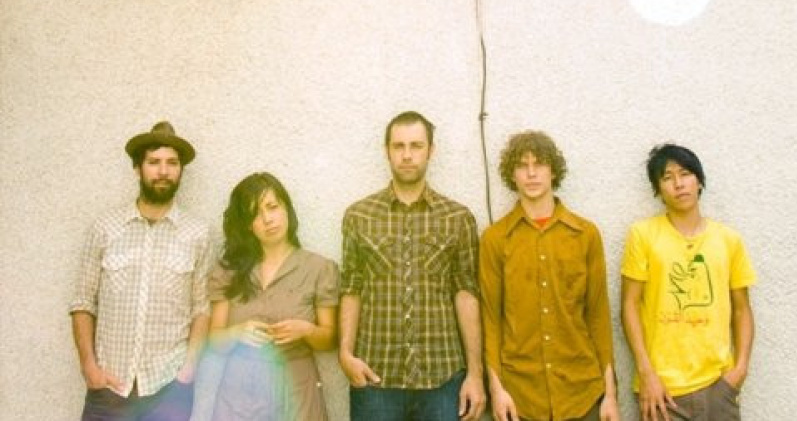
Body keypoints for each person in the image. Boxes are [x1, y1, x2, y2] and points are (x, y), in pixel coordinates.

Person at [339, 111, 486, 421]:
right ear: (387, 151)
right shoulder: (359, 216)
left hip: (442, 378)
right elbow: (351, 288)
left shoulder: (457, 217)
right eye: (399, 146)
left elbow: (466, 293)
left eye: (416, 146)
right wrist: (345, 353)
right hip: (375, 376)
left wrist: (475, 374)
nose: (407, 155)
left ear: (431, 150)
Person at [69, 121, 214, 421]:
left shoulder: (198, 234)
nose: (163, 171)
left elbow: (202, 308)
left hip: (168, 389)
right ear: (137, 168)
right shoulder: (105, 228)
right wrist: (89, 368)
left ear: (180, 171)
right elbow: (83, 302)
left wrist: (187, 372)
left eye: (172, 163)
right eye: (154, 162)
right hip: (109, 388)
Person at [479, 131, 619, 421]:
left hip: (582, 394)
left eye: (539, 163)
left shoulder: (586, 234)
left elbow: (598, 316)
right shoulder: (495, 239)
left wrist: (610, 395)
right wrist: (496, 389)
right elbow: (491, 320)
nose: (531, 173)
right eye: (522, 165)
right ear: (512, 175)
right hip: (520, 398)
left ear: (553, 170)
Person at [621, 144, 756, 421]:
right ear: (658, 190)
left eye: (685, 174)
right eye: (667, 177)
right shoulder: (643, 235)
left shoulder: (728, 240)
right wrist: (646, 374)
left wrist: (739, 370)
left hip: (719, 387)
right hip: (662, 393)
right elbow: (629, 305)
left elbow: (742, 309)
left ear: (699, 181)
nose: (678, 184)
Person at [204, 172, 339, 421]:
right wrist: (236, 333)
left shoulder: (319, 268)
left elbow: (330, 340)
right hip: (239, 392)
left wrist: (307, 331)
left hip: (296, 389)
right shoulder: (229, 271)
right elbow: (213, 341)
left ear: (286, 209)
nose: (267, 219)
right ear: (247, 225)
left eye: (272, 207)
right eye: (255, 214)